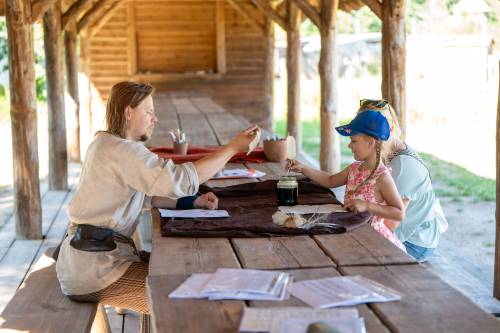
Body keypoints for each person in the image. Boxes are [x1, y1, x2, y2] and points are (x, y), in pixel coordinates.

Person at [55, 81, 259, 317]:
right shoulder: (122, 151)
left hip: (89, 261)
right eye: (149, 111)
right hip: (96, 271)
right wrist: (233, 148)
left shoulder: (105, 144)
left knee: (183, 271)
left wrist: (192, 202)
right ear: (129, 112)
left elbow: (148, 196)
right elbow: (179, 180)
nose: (155, 118)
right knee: (187, 299)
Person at [287, 110, 406, 251]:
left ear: (371, 142)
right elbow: (329, 180)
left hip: (375, 240)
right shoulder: (354, 168)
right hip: (352, 232)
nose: (349, 146)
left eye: (353, 141)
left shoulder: (382, 177)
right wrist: (303, 168)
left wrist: (368, 206)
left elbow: (399, 212)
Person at [357, 99, 445, 262]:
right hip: (389, 229)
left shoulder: (403, 165)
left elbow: (388, 226)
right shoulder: (382, 151)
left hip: (414, 241)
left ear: (390, 129)